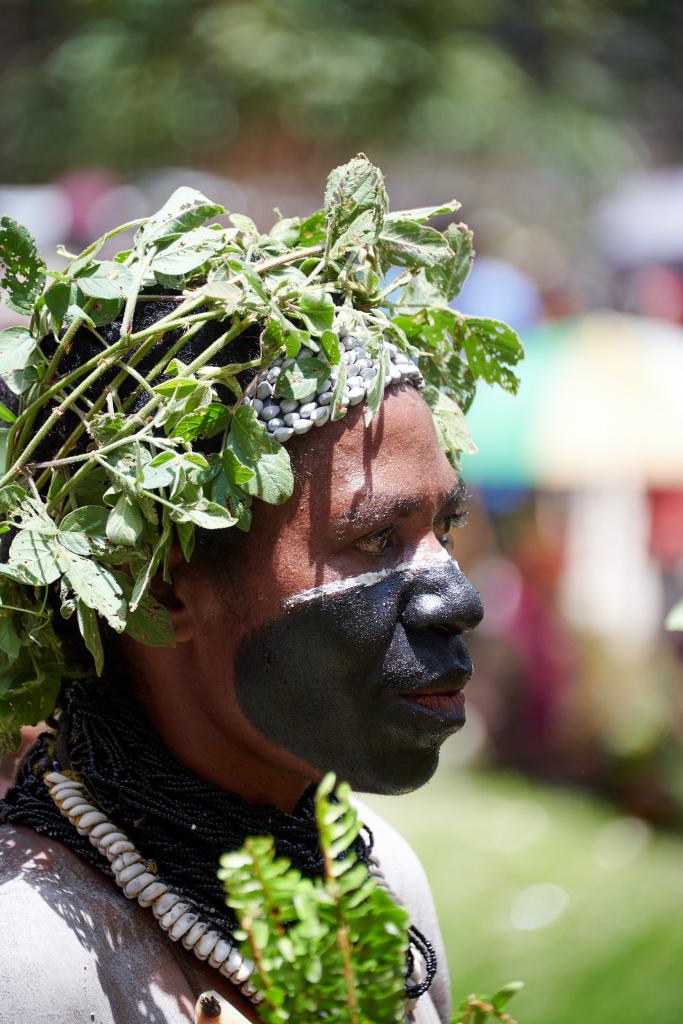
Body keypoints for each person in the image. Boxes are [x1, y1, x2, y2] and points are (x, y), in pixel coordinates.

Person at [0, 158, 517, 1024]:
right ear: (164, 590)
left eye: (445, 529)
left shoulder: (380, 880)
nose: (455, 598)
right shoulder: (33, 954)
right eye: (374, 538)